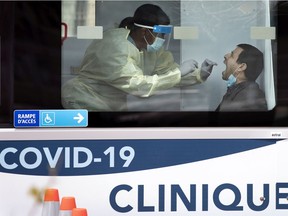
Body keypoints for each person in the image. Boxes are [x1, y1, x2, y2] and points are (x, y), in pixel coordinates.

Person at [62, 4, 216, 111]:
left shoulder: (152, 49)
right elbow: (139, 87)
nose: (163, 39)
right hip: (83, 100)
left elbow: (167, 77)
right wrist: (178, 73)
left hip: (111, 107)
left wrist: (199, 75)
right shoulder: (113, 47)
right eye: (160, 34)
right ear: (144, 32)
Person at [216, 44, 267, 111]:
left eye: (232, 55)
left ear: (241, 67)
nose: (225, 56)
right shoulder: (236, 91)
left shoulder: (248, 100)